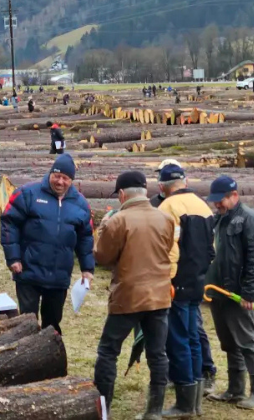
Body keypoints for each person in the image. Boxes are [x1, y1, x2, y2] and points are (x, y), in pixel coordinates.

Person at [93, 171, 175, 418]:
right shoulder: (165, 218)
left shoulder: (117, 220)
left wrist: (101, 229)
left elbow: (102, 257)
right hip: (159, 296)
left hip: (127, 296)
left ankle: (103, 409)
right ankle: (154, 410)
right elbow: (167, 248)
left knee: (108, 352)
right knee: (158, 354)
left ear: (121, 194)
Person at [0, 154, 94, 334]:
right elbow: (9, 223)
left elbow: (86, 238)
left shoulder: (81, 204)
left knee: (52, 323)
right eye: (56, 176)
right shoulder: (28, 193)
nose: (60, 181)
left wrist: (87, 269)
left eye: (65, 178)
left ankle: (49, 356)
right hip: (28, 272)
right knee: (27, 321)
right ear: (50, 173)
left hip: (58, 276)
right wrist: (13, 258)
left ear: (71, 180)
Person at [156, 164, 215, 417]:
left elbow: (170, 248)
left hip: (177, 281)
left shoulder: (167, 207)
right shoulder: (203, 205)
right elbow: (211, 249)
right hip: (197, 279)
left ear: (161, 186)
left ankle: (184, 402)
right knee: (193, 336)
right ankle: (196, 398)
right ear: (184, 180)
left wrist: (167, 279)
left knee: (178, 338)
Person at [205, 175, 254, 410]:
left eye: (220, 200)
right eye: (214, 201)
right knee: (228, 343)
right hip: (219, 292)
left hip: (240, 294)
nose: (216, 205)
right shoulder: (219, 219)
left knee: (247, 343)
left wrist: (250, 293)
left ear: (234, 196)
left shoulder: (250, 220)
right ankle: (234, 389)